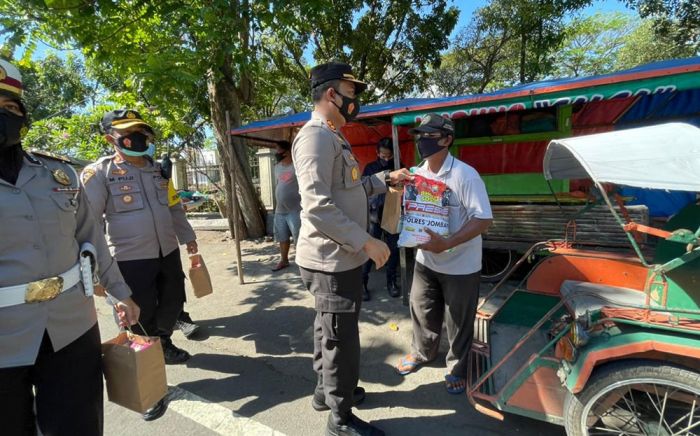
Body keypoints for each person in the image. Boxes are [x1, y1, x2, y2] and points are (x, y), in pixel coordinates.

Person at [0, 59, 140, 436]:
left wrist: (120, 293)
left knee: (78, 426)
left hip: (71, 328)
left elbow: (91, 237)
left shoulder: (57, 175)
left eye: (10, 107)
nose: (2, 114)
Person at [294, 61, 412, 436]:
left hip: (338, 256)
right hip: (331, 260)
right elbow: (317, 206)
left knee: (328, 329)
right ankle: (340, 417)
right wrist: (367, 240)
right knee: (340, 338)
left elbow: (348, 189)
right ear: (332, 94)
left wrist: (385, 179)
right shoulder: (315, 137)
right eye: (351, 93)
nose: (355, 101)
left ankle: (324, 392)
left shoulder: (333, 136)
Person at [81, 109, 199, 419]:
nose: (141, 138)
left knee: (172, 304)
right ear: (111, 139)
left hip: (167, 252)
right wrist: (94, 272)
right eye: (131, 133)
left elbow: (174, 208)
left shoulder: (157, 170)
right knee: (139, 319)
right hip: (130, 260)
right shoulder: (100, 174)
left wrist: (189, 240)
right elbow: (87, 223)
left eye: (143, 133)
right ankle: (151, 389)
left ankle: (164, 342)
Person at [395, 113, 493, 395]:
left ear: (447, 139)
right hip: (426, 260)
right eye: (419, 136)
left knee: (458, 321)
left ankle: (457, 367)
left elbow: (483, 219)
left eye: (429, 136)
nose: (422, 142)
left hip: (461, 264)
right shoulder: (416, 174)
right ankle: (423, 352)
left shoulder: (465, 175)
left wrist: (448, 243)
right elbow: (411, 213)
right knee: (421, 308)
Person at [361, 137, 404, 300]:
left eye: (389, 156)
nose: (386, 159)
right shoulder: (370, 167)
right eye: (383, 156)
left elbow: (404, 189)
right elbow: (363, 190)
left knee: (393, 251)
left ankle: (392, 282)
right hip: (374, 215)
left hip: (393, 214)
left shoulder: (399, 166)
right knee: (369, 250)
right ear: (377, 153)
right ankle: (362, 283)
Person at [271, 140, 302, 272]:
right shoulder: (277, 167)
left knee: (298, 237)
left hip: (295, 210)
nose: (276, 153)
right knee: (282, 237)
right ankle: (284, 260)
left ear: (287, 152)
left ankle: (304, 263)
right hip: (280, 210)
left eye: (279, 151)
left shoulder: (297, 166)